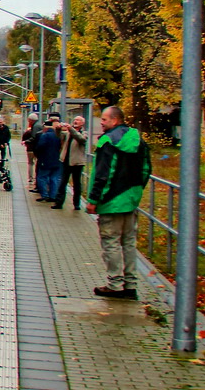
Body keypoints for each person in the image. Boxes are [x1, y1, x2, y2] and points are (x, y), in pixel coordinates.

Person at [86, 105, 152, 299]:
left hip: (111, 201)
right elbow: (146, 169)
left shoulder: (107, 141)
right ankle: (131, 285)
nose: (101, 122)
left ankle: (115, 284)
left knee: (111, 242)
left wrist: (93, 199)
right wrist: (136, 190)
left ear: (115, 120)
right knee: (129, 243)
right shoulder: (138, 140)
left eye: (104, 119)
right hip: (130, 199)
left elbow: (103, 174)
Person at [51, 115, 88, 210]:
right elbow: (59, 135)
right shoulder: (68, 133)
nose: (75, 121)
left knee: (77, 184)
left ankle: (77, 204)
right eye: (74, 119)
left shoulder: (84, 133)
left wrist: (71, 129)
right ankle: (58, 203)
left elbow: (81, 139)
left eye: (78, 120)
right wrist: (58, 128)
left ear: (82, 123)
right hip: (66, 161)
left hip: (77, 162)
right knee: (63, 182)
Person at [32, 119, 62, 202]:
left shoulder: (45, 136)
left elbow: (40, 146)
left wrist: (38, 154)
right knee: (54, 178)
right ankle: (53, 196)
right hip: (56, 160)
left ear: (46, 127)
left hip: (45, 160)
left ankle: (44, 195)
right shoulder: (58, 136)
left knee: (42, 177)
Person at [19, 112, 40, 188]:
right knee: (35, 163)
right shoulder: (38, 126)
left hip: (32, 148)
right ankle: (35, 178)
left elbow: (33, 137)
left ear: (31, 120)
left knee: (31, 163)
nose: (28, 121)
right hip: (36, 148)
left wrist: (26, 141)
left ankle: (31, 178)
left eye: (29, 120)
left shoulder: (35, 127)